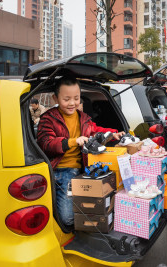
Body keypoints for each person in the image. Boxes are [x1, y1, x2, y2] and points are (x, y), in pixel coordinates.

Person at [37, 77, 124, 226]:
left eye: (76, 98)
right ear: (55, 98)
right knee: (68, 218)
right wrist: (72, 141)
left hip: (82, 170)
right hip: (61, 171)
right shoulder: (48, 118)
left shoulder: (83, 117)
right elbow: (46, 143)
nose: (72, 103)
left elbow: (95, 130)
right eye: (67, 99)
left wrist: (113, 133)